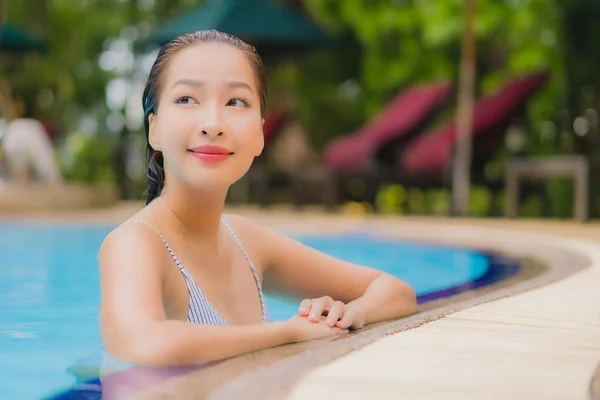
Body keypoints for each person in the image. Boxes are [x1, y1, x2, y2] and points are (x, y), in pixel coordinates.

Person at [99, 30, 417, 368]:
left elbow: (396, 292)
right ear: (154, 129)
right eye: (187, 99)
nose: (213, 124)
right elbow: (143, 343)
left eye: (236, 101)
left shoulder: (245, 240)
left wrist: (350, 313)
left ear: (260, 136)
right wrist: (290, 333)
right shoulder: (135, 243)